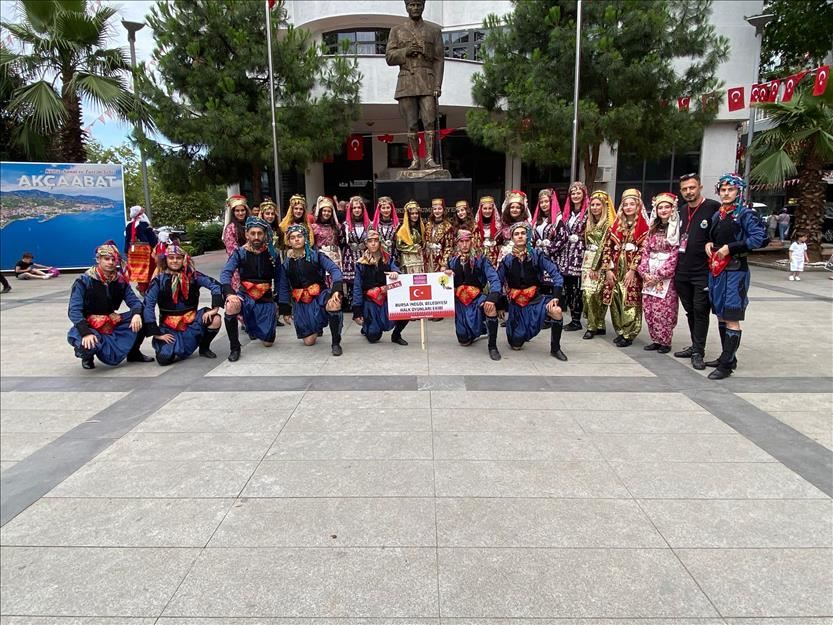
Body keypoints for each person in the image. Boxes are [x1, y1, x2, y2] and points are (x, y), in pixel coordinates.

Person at [705, 172, 767, 380]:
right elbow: (715, 237)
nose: (726, 193)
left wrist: (730, 248)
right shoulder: (718, 214)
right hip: (718, 271)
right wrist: (709, 244)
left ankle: (726, 365)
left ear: (738, 191)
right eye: (723, 190)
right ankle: (728, 357)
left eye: (730, 189)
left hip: (736, 271)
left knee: (732, 316)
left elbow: (758, 239)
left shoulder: (746, 214)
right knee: (722, 314)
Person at [67, 241, 153, 369]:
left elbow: (134, 301)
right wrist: (85, 332)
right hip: (90, 323)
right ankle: (87, 356)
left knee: (143, 314)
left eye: (114, 259)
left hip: (111, 320)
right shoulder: (84, 281)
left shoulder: (120, 280)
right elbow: (74, 310)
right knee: (87, 343)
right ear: (98, 259)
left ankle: (133, 353)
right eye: (106, 259)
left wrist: (136, 314)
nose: (110, 262)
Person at [385, 0, 444, 169]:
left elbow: (439, 60)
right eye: (411, 5)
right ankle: (415, 159)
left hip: (427, 80)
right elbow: (389, 57)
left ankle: (429, 158)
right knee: (411, 123)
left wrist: (438, 85)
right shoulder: (396, 31)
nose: (415, 8)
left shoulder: (433, 31)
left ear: (423, 6)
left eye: (418, 5)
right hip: (407, 80)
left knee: (429, 121)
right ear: (406, 7)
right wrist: (405, 51)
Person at [142, 245, 223, 365]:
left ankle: (204, 348)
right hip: (169, 327)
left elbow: (215, 285)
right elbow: (148, 305)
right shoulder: (158, 281)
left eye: (178, 258)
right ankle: (175, 346)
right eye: (171, 258)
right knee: (164, 359)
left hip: (192, 322)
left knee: (215, 319)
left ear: (184, 259)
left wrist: (215, 309)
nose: (175, 261)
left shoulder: (194, 276)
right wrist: (156, 333)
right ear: (165, 260)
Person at [497, 222, 568, 360]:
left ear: (528, 236)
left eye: (523, 233)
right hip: (516, 305)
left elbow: (557, 276)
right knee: (515, 344)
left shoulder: (537, 255)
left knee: (556, 311)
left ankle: (555, 349)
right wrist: (499, 305)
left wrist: (556, 297)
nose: (520, 236)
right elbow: (497, 282)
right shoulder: (507, 260)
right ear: (512, 238)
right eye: (516, 234)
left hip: (535, 301)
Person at [673, 173, 721, 370]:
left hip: (702, 271)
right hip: (682, 270)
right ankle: (694, 345)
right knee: (690, 311)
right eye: (684, 189)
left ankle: (698, 352)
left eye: (692, 188)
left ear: (700, 187)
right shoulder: (683, 210)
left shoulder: (713, 208)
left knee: (701, 311)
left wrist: (714, 243)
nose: (688, 192)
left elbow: (721, 232)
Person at [278, 224, 345, 356]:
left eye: (299, 236)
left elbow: (335, 270)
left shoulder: (317, 256)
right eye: (292, 237)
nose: (296, 239)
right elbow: (283, 286)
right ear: (289, 241)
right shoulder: (286, 263)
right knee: (309, 341)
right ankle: (316, 327)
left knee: (334, 304)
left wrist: (336, 290)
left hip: (320, 295)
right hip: (301, 302)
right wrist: (285, 309)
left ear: (305, 239)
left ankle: (336, 342)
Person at [221, 216, 280, 362]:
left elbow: (281, 279)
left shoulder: (273, 254)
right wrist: (229, 293)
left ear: (265, 234)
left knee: (268, 342)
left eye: (260, 233)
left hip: (265, 298)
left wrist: (282, 303)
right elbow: (226, 273)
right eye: (252, 233)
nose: (256, 237)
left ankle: (259, 321)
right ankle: (235, 347)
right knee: (230, 307)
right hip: (245, 296)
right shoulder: (239, 253)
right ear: (247, 234)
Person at [598, 188, 649, 348]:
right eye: (625, 204)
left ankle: (629, 333)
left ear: (637, 206)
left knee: (630, 301)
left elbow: (643, 250)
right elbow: (607, 247)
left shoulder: (643, 227)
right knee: (615, 299)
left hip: (630, 270)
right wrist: (607, 269)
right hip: (615, 269)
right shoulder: (616, 226)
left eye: (631, 204)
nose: (628, 207)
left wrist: (633, 270)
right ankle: (620, 330)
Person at [446, 230, 502, 360]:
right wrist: (446, 275)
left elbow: (494, 278)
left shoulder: (480, 259)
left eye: (467, 241)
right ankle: (480, 329)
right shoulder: (453, 261)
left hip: (477, 298)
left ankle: (492, 346)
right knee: (463, 341)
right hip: (460, 301)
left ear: (472, 242)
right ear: (458, 243)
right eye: (461, 241)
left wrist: (492, 298)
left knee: (490, 308)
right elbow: (446, 284)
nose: (464, 244)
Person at [638, 193, 680, 353]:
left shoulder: (675, 229)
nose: (663, 210)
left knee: (664, 310)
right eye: (660, 207)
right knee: (649, 308)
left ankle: (665, 341)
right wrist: (645, 272)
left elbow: (675, 254)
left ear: (672, 209)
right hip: (650, 272)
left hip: (665, 276)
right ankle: (655, 339)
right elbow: (646, 251)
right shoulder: (653, 229)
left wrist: (660, 274)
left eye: (666, 207)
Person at [352, 229, 410, 345]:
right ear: (366, 244)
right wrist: (357, 311)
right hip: (370, 302)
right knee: (373, 337)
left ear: (380, 243)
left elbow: (396, 270)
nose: (373, 244)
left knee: (406, 309)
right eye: (370, 241)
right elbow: (357, 287)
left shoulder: (388, 259)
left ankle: (396, 335)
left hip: (387, 298)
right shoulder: (360, 263)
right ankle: (367, 326)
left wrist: (396, 273)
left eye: (376, 241)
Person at [581, 191, 616, 339]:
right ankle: (598, 324)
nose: (595, 207)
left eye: (598, 205)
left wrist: (597, 267)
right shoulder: (589, 222)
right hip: (587, 260)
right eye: (592, 205)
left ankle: (592, 326)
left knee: (593, 294)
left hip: (601, 262)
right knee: (587, 294)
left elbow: (604, 246)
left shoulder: (608, 224)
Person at [559, 181, 588, 331]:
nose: (576, 196)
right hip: (566, 255)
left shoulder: (588, 213)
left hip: (580, 254)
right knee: (568, 287)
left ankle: (577, 319)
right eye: (573, 193)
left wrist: (581, 237)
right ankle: (572, 315)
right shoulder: (567, 213)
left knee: (578, 288)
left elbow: (593, 231)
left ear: (583, 194)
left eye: (578, 193)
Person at [531, 188, 566, 291]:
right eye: (541, 202)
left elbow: (562, 238)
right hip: (537, 257)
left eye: (546, 201)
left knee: (551, 285)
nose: (544, 204)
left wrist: (550, 248)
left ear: (551, 202)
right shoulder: (537, 221)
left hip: (552, 257)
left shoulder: (557, 220)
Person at [340, 195, 370, 310]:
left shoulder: (368, 224)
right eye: (354, 208)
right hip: (350, 256)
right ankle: (354, 304)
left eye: (359, 207)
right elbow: (341, 241)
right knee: (351, 282)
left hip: (365, 255)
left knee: (365, 280)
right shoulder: (346, 226)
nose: (357, 210)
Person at [124, 205, 158, 294]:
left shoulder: (129, 226)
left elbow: (127, 239)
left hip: (133, 251)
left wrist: (126, 251)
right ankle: (148, 287)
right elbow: (153, 239)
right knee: (149, 269)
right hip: (145, 251)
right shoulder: (145, 225)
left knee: (139, 269)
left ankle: (142, 287)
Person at [222, 195, 250, 294]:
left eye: (242, 210)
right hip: (238, 266)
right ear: (233, 212)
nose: (240, 213)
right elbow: (232, 251)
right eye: (237, 211)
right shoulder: (230, 228)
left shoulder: (251, 225)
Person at [497, 190, 531, 263]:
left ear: (521, 209)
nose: (514, 210)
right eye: (512, 207)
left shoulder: (526, 225)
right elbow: (497, 240)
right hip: (504, 256)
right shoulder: (504, 223)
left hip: (522, 255)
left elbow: (529, 244)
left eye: (518, 208)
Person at [311, 196, 343, 271]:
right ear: (320, 212)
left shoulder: (336, 226)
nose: (326, 213)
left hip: (335, 257)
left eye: (329, 211)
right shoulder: (314, 227)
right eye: (324, 211)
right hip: (321, 257)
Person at [424, 198, 454, 272]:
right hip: (427, 259)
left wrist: (444, 264)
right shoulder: (428, 224)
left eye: (439, 209)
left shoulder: (447, 226)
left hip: (439, 260)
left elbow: (449, 247)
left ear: (443, 210)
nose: (437, 211)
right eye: (435, 209)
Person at [396, 200, 425, 273]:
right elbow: (398, 246)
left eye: (416, 213)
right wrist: (413, 248)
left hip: (420, 259)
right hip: (407, 260)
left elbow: (423, 242)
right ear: (408, 215)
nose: (415, 215)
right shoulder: (402, 229)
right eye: (412, 214)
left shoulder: (421, 227)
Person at [475, 195, 501, 266]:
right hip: (480, 256)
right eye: (485, 208)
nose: (487, 211)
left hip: (496, 255)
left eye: (490, 208)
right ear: (481, 209)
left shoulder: (499, 225)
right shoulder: (475, 225)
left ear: (493, 209)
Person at [373, 196, 400, 260]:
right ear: (379, 210)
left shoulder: (397, 225)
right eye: (383, 208)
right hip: (378, 256)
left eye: (388, 207)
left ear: (391, 209)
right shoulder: (374, 225)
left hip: (393, 256)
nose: (386, 210)